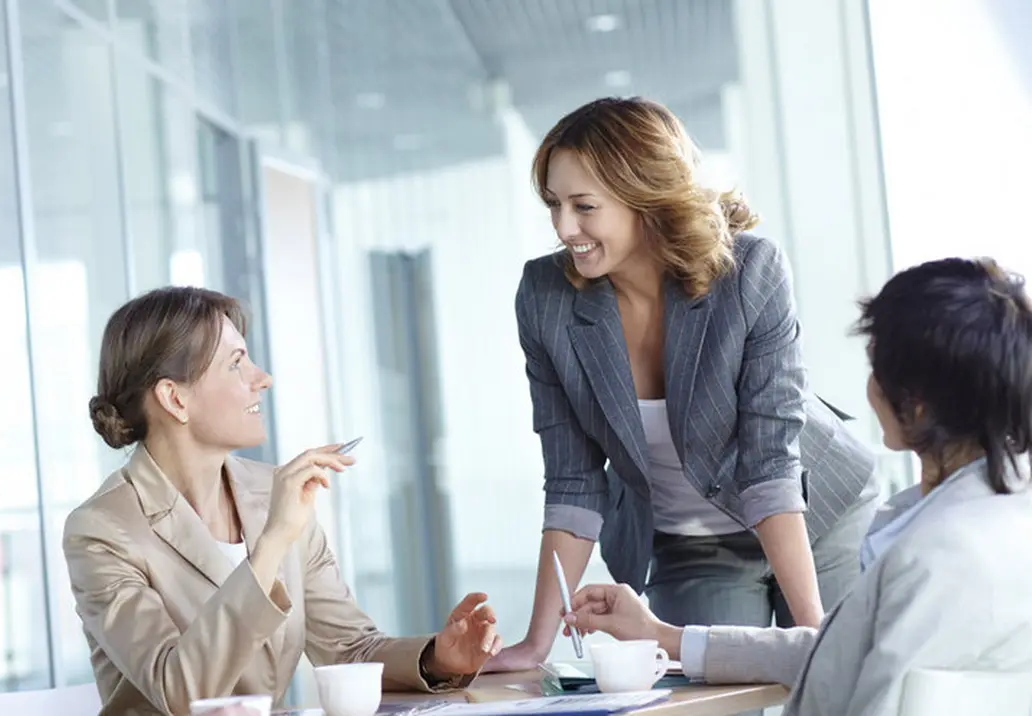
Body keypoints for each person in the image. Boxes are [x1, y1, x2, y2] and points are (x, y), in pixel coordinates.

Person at [488, 97, 880, 672]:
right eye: (554, 204)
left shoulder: (749, 271)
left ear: (644, 197)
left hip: (818, 516)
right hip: (694, 545)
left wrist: (816, 642)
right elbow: (573, 480)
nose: (564, 227)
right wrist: (534, 645)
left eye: (584, 206)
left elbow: (770, 464)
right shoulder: (545, 297)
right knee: (708, 706)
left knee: (842, 686)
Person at [565, 257, 1032, 715]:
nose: (870, 387)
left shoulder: (937, 557)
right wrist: (665, 635)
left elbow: (868, 692)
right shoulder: (996, 517)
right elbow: (836, 650)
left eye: (876, 367)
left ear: (917, 406)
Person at [64, 286, 501, 716]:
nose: (262, 378)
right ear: (175, 399)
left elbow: (348, 649)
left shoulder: (272, 491)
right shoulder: (102, 530)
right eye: (236, 364)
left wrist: (438, 659)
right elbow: (181, 692)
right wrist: (271, 543)